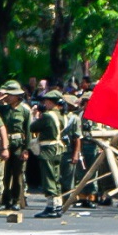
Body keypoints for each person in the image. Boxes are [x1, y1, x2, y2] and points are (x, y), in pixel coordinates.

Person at [0, 80, 30, 210]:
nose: (8, 97)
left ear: (17, 96)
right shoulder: (4, 109)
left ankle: (16, 200)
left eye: (10, 94)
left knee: (17, 175)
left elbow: (28, 131)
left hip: (18, 145)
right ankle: (5, 200)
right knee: (5, 174)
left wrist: (26, 149)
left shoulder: (24, 111)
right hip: (6, 144)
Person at [30, 90, 65, 218]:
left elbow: (33, 127)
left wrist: (35, 115)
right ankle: (58, 205)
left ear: (50, 102)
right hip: (58, 148)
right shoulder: (61, 116)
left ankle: (51, 207)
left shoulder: (48, 116)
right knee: (56, 178)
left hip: (48, 148)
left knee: (48, 178)